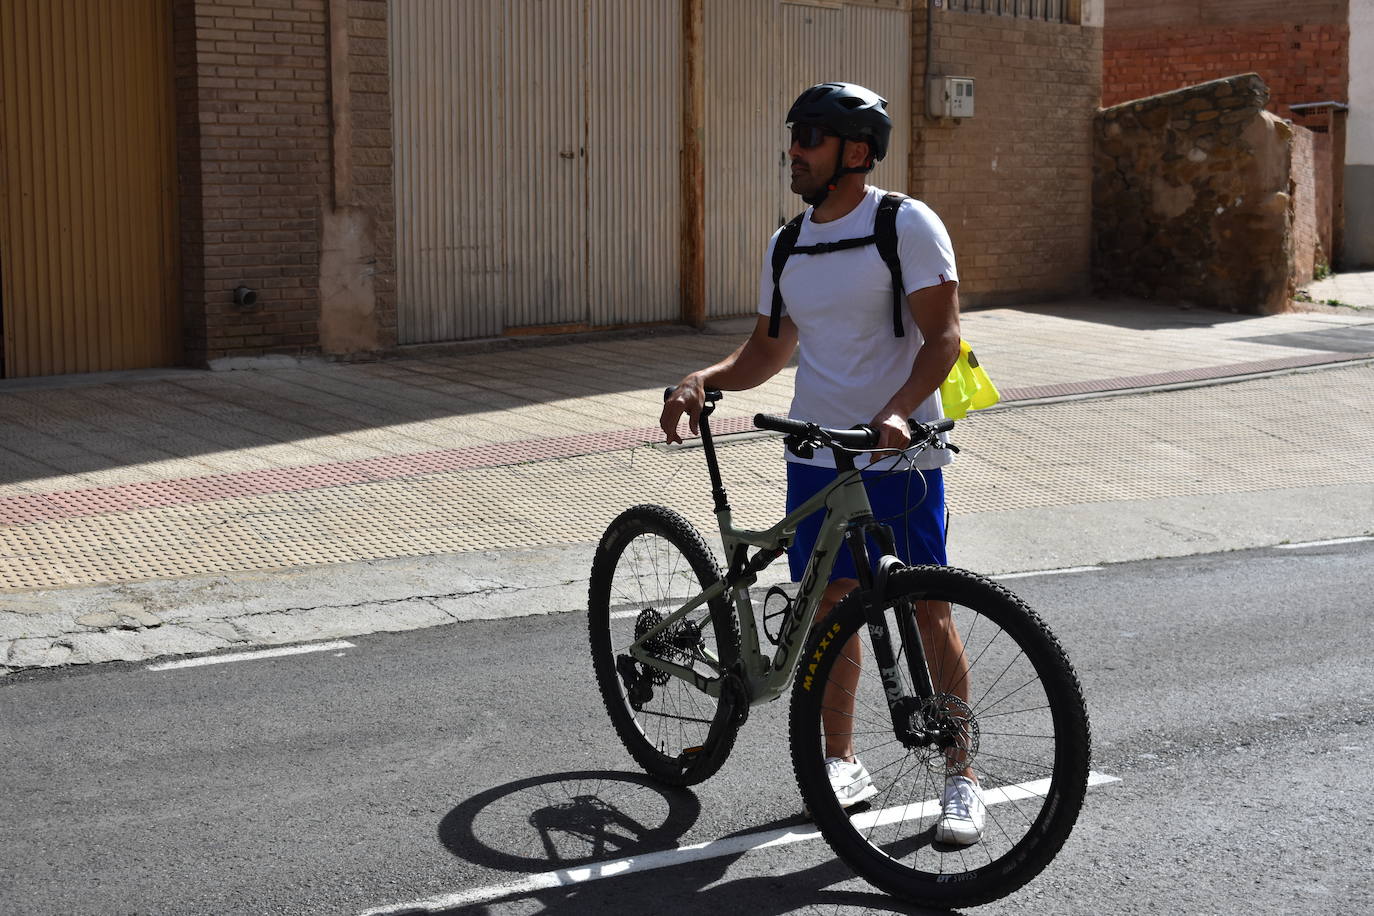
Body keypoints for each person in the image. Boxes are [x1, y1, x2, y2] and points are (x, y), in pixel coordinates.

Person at [660, 82, 985, 845]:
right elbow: (772, 349)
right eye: (793, 135)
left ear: (857, 152)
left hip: (901, 455)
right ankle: (842, 761)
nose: (793, 151)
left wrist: (900, 410)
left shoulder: (905, 225)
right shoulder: (789, 242)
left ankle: (961, 773)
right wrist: (708, 378)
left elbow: (943, 337)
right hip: (817, 454)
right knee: (834, 606)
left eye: (809, 136)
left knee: (925, 608)